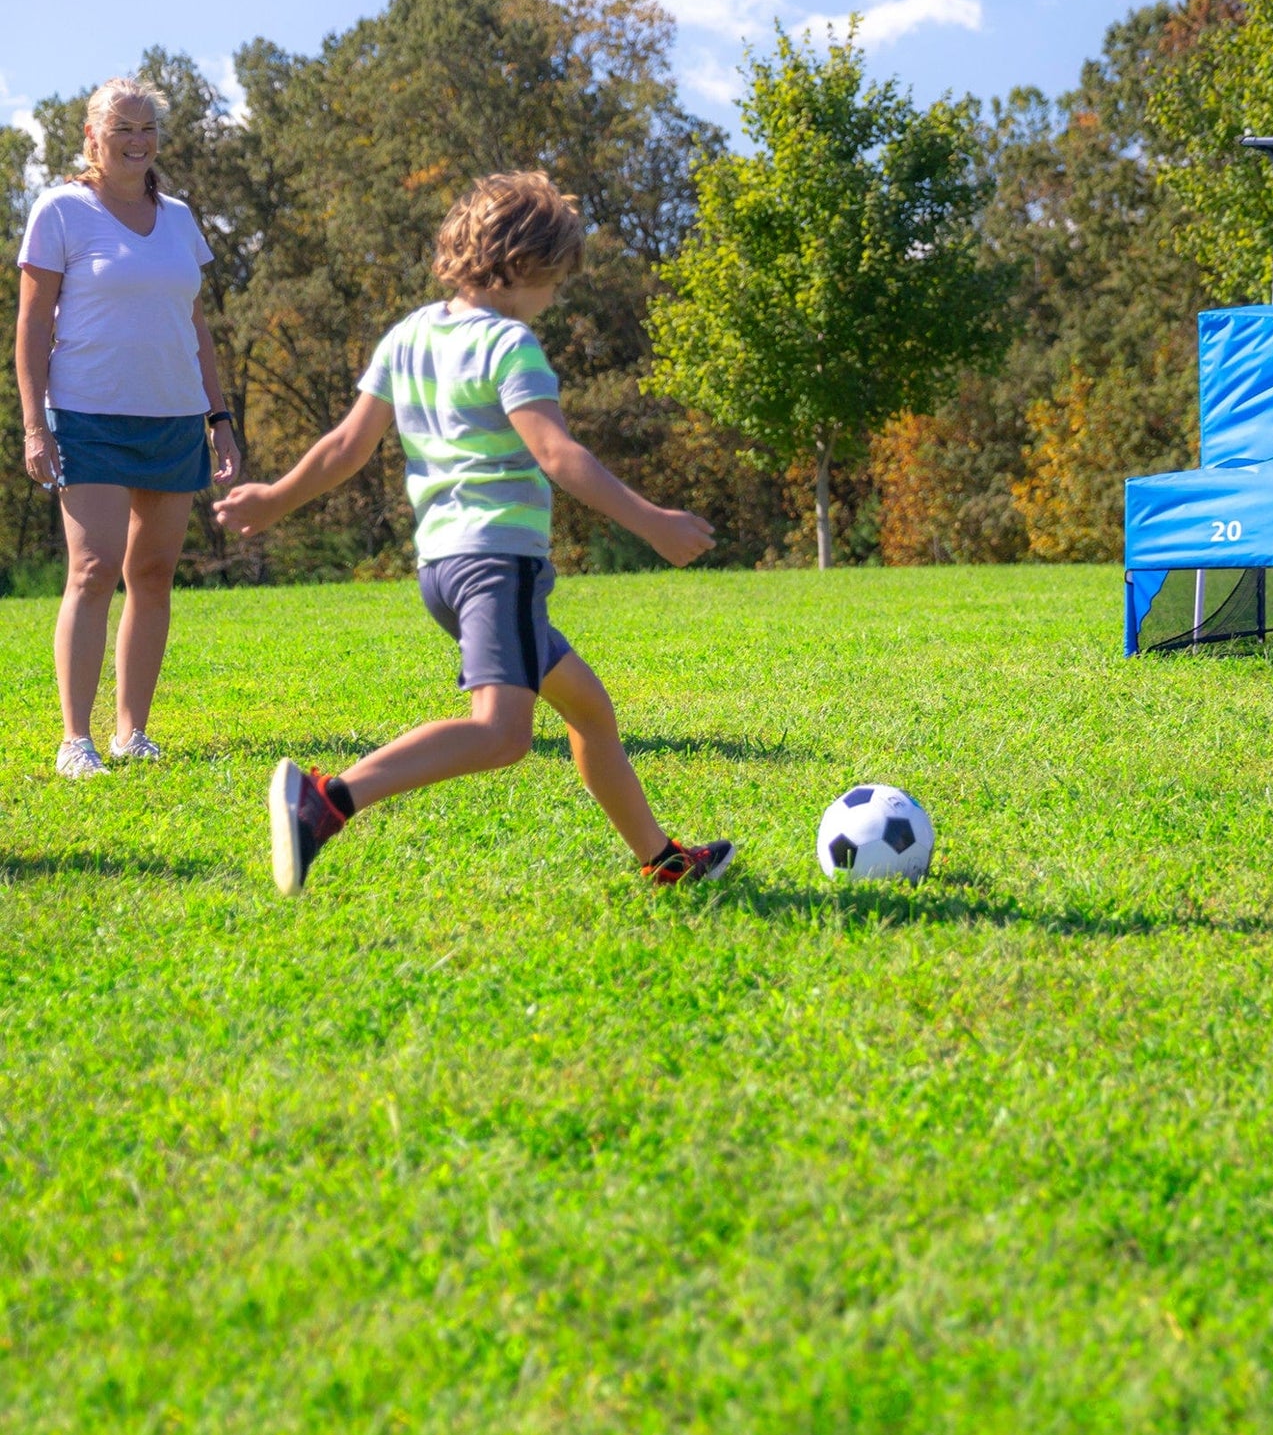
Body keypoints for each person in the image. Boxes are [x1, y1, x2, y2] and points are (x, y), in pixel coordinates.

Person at [213, 170, 735, 897]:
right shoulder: (510, 346)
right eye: (553, 283)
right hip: (498, 564)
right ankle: (328, 799)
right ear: (522, 268)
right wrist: (653, 522)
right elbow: (558, 455)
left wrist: (274, 499)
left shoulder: (410, 336)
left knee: (588, 708)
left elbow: (345, 448)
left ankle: (661, 858)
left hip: (444, 567)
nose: (551, 301)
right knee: (502, 733)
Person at [14, 77, 240, 778]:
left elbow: (195, 324)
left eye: (147, 129)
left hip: (173, 415)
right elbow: (29, 326)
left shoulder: (178, 216)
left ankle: (131, 733)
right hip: (89, 415)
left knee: (153, 572)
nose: (137, 141)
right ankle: (75, 741)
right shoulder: (60, 210)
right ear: (93, 138)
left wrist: (220, 418)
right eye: (123, 130)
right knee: (92, 569)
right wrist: (33, 425)